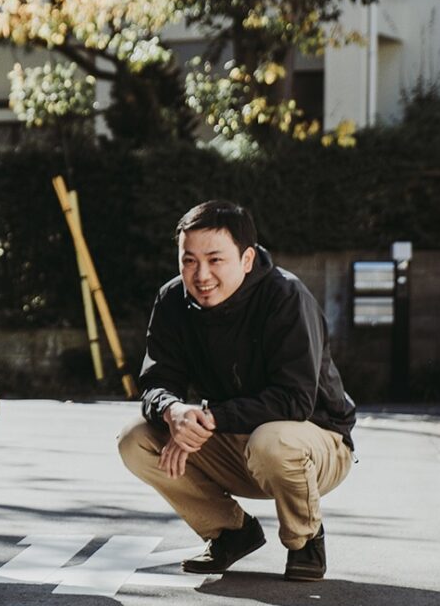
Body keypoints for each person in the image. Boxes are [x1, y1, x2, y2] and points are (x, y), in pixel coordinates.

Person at [116, 200, 357, 582]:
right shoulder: (172, 300)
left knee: (273, 440)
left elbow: (294, 400)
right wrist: (174, 412)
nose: (201, 274)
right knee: (136, 440)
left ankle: (305, 538)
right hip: (232, 440)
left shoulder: (286, 298)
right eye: (189, 260)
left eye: (215, 260)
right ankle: (230, 532)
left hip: (315, 442)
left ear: (246, 259)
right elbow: (156, 380)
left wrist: (210, 419)